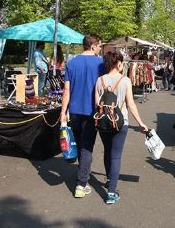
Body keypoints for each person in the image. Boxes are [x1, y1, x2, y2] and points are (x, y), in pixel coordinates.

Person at [95, 52, 148, 204]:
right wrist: (140, 123)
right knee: (116, 155)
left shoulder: (100, 80)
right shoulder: (125, 81)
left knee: (107, 151)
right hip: (120, 122)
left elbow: (96, 104)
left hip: (103, 123)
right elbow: (131, 104)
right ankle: (111, 192)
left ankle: (109, 180)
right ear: (118, 63)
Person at [60, 34, 104, 198]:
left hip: (75, 111)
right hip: (92, 112)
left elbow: (66, 91)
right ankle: (81, 183)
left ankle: (82, 172)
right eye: (99, 45)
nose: (100, 48)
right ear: (93, 46)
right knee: (87, 146)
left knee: (79, 143)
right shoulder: (101, 64)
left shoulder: (71, 63)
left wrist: (63, 112)